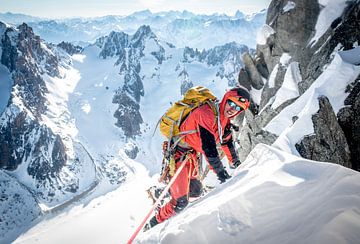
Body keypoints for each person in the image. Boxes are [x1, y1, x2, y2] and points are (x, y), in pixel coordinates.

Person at [146, 86, 251, 229]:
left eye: (238, 108)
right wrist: (222, 174)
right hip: (179, 154)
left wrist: (236, 164)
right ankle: (153, 223)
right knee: (181, 202)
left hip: (192, 155)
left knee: (195, 191)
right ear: (226, 98)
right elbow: (209, 150)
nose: (233, 109)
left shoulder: (224, 119)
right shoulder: (206, 113)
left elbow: (226, 141)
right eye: (232, 103)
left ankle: (163, 192)